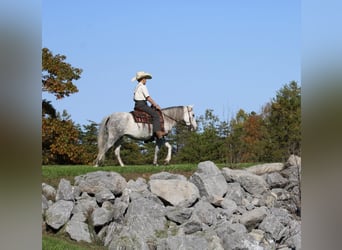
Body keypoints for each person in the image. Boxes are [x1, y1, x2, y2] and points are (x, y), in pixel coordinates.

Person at [131, 71, 167, 139]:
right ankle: (158, 132)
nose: (146, 80)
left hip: (137, 105)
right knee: (155, 115)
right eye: (145, 78)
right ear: (143, 79)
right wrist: (156, 105)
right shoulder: (143, 87)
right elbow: (148, 98)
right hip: (142, 105)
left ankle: (149, 135)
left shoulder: (136, 87)